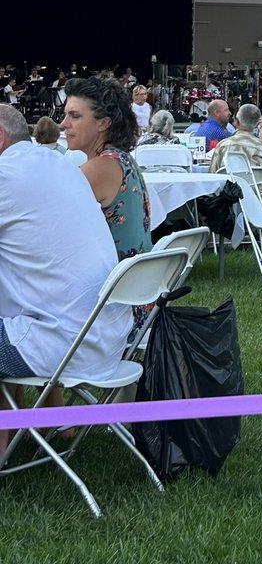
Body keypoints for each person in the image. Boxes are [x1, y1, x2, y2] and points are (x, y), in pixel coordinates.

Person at [0, 106, 132, 450]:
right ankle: (40, 426)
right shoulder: (60, 166)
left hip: (63, 343)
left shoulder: (6, 174)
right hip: (105, 336)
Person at [62, 76, 151, 261]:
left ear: (103, 123)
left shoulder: (100, 168)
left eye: (75, 116)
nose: (64, 123)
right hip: (133, 278)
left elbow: (50, 223)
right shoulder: (122, 159)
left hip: (110, 282)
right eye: (65, 115)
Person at [209, 103, 262, 172]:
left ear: (237, 122)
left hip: (228, 182)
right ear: (257, 124)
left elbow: (212, 174)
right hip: (255, 182)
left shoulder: (223, 145)